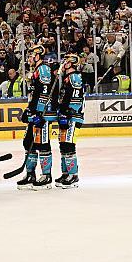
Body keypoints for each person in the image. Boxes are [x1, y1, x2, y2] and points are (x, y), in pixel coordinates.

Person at [18, 44, 55, 190]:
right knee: (28, 142)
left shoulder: (44, 69)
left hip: (43, 113)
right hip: (35, 112)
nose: (28, 59)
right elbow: (34, 94)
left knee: (43, 143)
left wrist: (39, 112)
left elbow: (45, 93)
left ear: (38, 55)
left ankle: (46, 176)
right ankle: (30, 174)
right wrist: (29, 109)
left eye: (30, 56)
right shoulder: (36, 70)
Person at [55, 53, 85, 188]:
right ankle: (66, 173)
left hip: (72, 116)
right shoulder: (66, 78)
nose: (63, 63)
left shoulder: (75, 76)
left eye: (65, 61)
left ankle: (73, 175)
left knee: (69, 144)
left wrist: (68, 111)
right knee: (63, 144)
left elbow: (76, 97)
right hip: (64, 114)